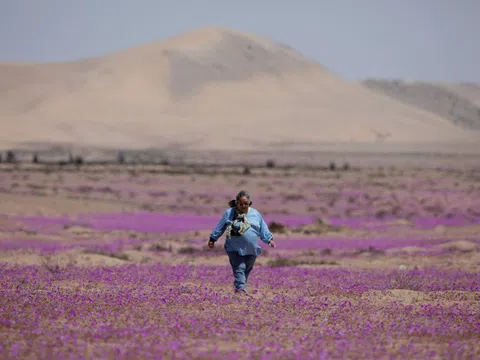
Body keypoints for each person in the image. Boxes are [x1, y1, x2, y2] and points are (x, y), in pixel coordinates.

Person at [208, 190, 276, 295]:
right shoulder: (229, 213)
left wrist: (269, 239)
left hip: (251, 249)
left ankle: (240, 286)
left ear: (250, 203)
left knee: (247, 268)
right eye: (241, 204)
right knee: (240, 267)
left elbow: (263, 228)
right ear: (236, 203)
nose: (243, 206)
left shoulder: (255, 214)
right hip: (234, 248)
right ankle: (241, 290)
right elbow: (220, 226)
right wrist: (213, 239)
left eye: (246, 204)